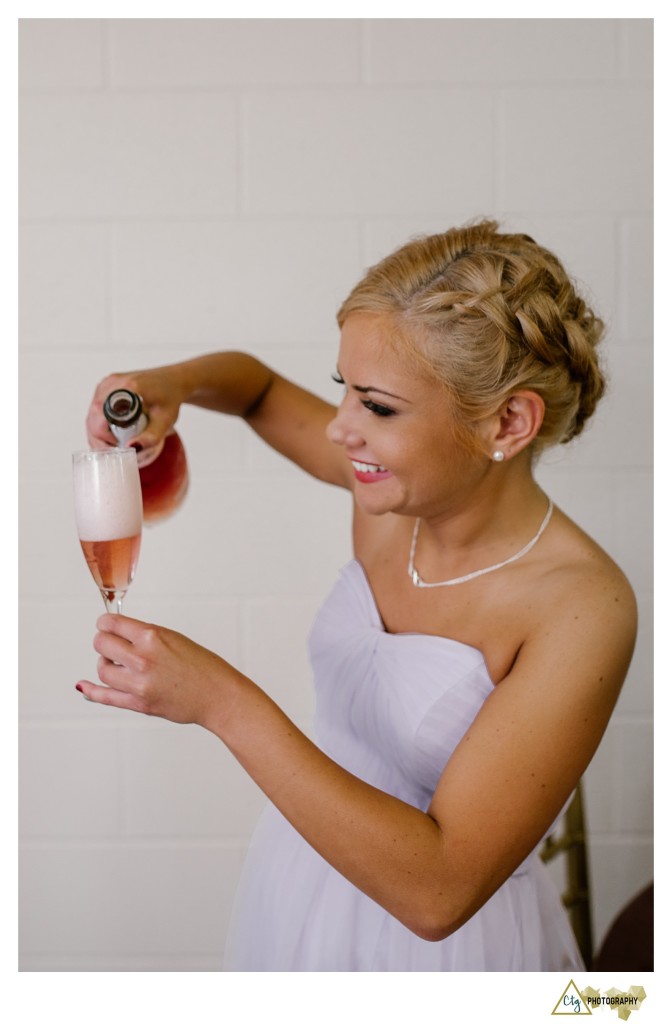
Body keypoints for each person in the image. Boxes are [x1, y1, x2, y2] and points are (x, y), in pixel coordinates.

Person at [79, 219, 636, 971]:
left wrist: (223, 703)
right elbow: (258, 389)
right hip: (303, 880)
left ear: (507, 421)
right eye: (344, 389)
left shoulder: (581, 610)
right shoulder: (391, 495)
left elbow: (440, 893)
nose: (340, 431)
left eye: (376, 406)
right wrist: (170, 385)